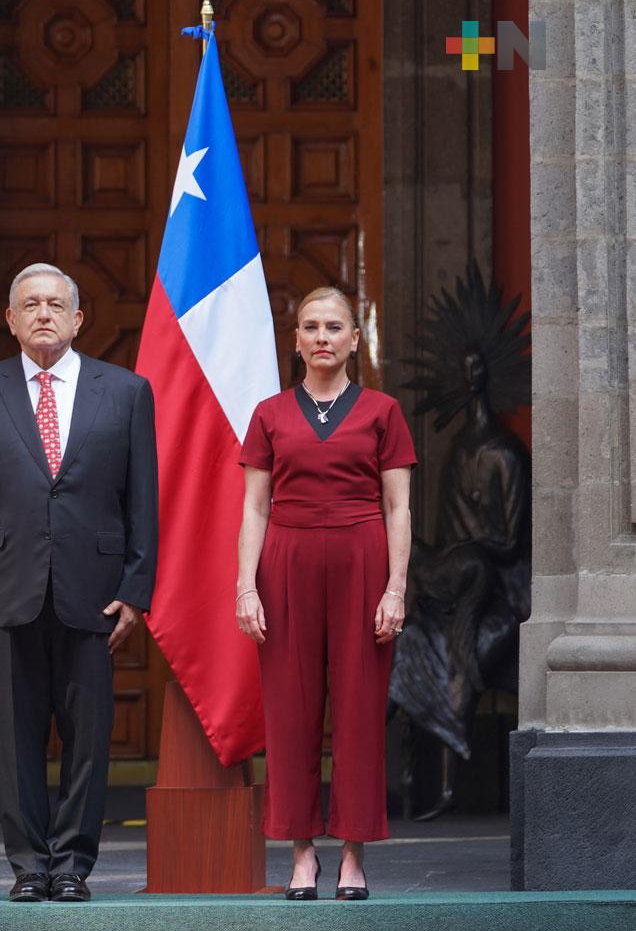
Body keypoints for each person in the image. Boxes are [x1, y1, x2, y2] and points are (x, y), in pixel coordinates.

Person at [0, 262, 158, 903]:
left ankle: (71, 865)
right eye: (30, 304)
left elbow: (142, 499)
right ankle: (29, 867)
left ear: (77, 318)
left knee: (89, 739)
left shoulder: (124, 391)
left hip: (94, 591)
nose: (44, 313)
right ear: (10, 320)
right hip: (7, 588)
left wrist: (137, 586)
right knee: (17, 740)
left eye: (55, 304)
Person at [235, 285, 415, 902]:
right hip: (286, 563)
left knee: (361, 709)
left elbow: (398, 505)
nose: (321, 337)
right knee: (290, 709)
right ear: (296, 341)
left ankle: (354, 856)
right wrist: (245, 587)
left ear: (355, 339)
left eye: (334, 327)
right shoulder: (269, 413)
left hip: (363, 559)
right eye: (310, 326)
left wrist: (396, 587)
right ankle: (302, 853)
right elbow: (255, 507)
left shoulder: (383, 411)